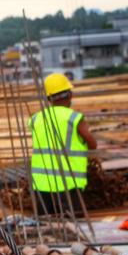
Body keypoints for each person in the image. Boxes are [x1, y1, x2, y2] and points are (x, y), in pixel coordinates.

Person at [29, 72, 97, 216]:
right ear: (70, 95)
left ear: (48, 98)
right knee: (75, 228)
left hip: (41, 184)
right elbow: (93, 145)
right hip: (69, 184)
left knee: (45, 228)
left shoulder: (35, 119)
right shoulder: (74, 118)